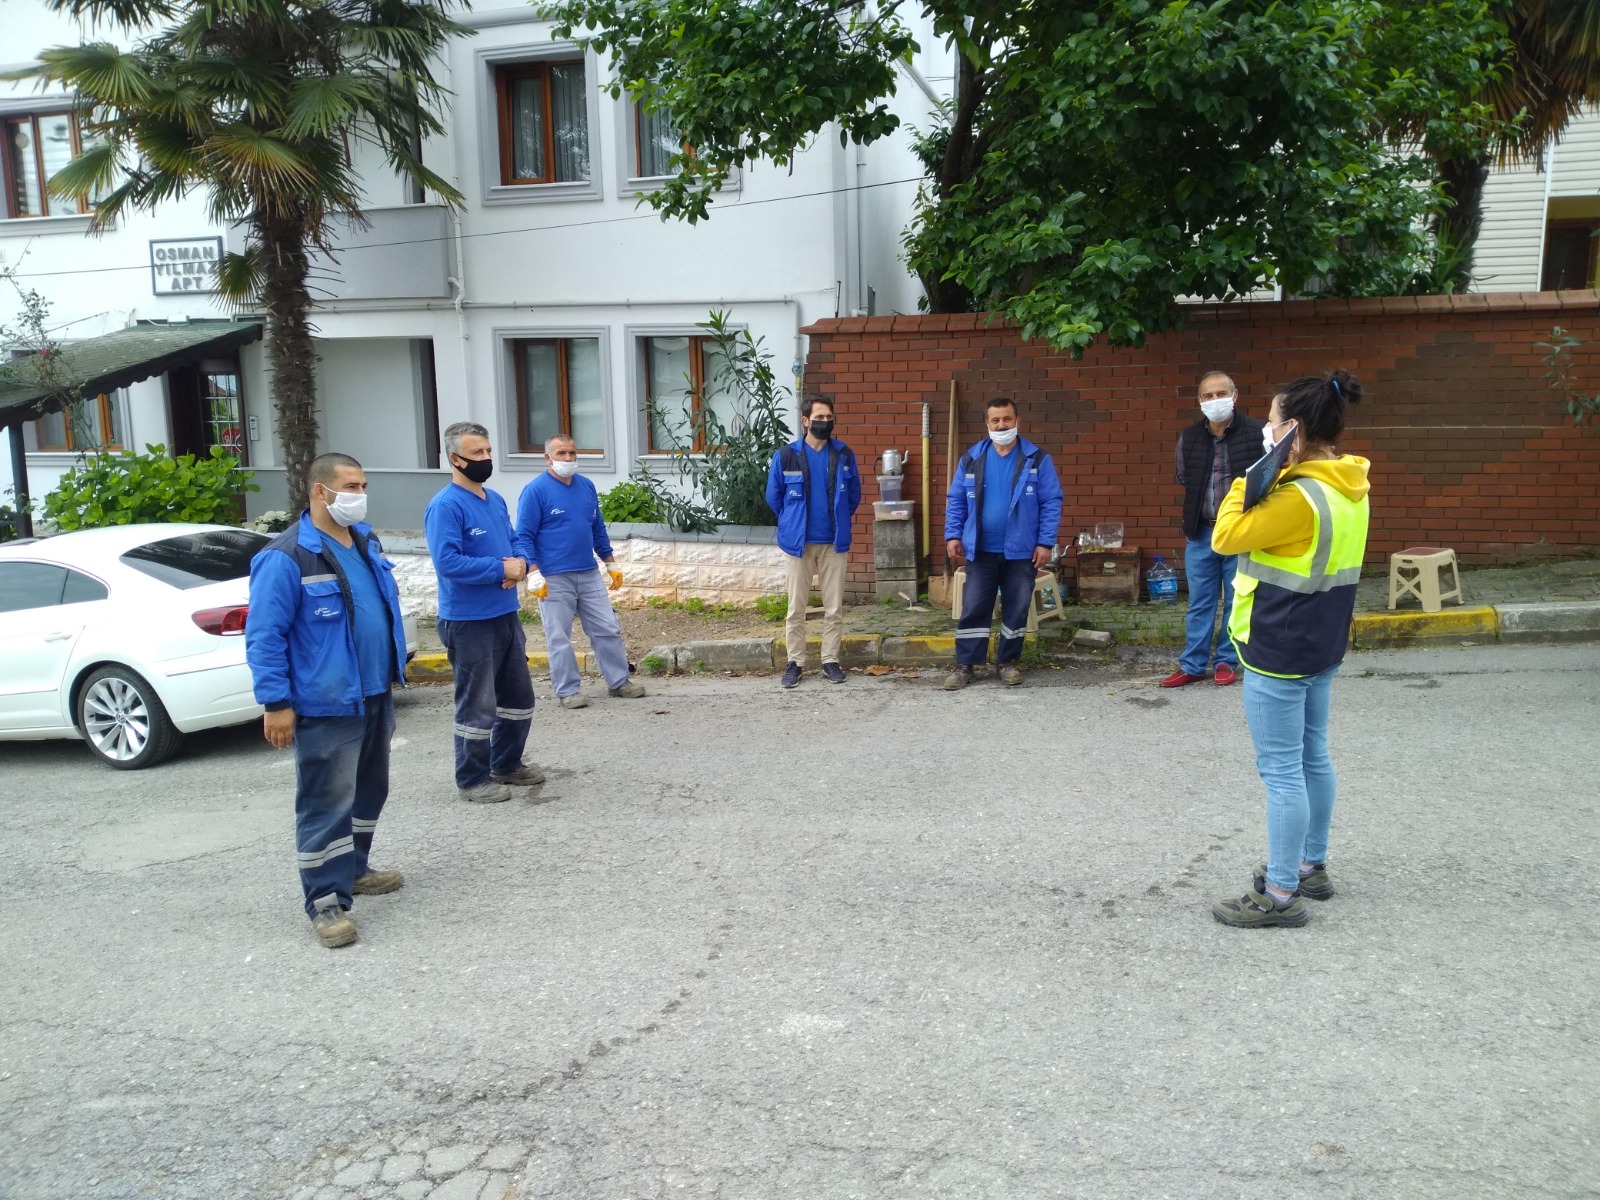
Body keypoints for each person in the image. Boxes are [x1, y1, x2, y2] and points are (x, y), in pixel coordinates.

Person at [1210, 369, 1370, 929]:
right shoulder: (1350, 485)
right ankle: (1310, 865)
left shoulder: (1298, 496)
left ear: (1292, 431)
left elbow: (1225, 537)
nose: (1266, 429)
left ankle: (1278, 894)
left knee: (1282, 773)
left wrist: (1245, 480)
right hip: (1321, 643)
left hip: (1278, 650)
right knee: (1313, 757)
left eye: (1272, 422)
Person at [246, 452, 410, 949]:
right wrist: (276, 702)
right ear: (321, 491)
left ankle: (355, 869)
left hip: (374, 692)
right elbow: (264, 636)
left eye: (363, 486)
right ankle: (325, 902)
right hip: (326, 703)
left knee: (368, 791)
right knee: (326, 803)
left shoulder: (364, 541)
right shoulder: (286, 556)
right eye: (351, 486)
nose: (360, 495)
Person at [424, 421, 544, 803]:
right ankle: (472, 780)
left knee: (519, 698)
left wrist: (520, 564)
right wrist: (499, 569)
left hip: (505, 614)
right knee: (478, 706)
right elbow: (448, 562)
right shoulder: (445, 506)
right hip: (468, 622)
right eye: (477, 453)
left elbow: (514, 541)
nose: (486, 458)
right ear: (455, 459)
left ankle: (506, 764)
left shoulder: (494, 500)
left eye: (488, 451)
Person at [514, 434, 647, 708]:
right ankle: (567, 691)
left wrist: (610, 563)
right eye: (561, 453)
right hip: (553, 577)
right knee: (559, 636)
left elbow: (596, 528)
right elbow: (523, 536)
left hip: (588, 573)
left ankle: (619, 681)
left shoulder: (586, 486)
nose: (568, 458)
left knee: (607, 628)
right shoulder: (535, 491)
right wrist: (533, 572)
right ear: (548, 458)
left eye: (572, 453)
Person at [942, 397, 1064, 689]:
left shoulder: (1037, 459)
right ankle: (966, 665)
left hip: (1021, 551)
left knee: (1017, 607)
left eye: (1007, 419)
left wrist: (1045, 542)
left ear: (1017, 420)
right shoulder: (971, 459)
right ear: (987, 423)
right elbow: (956, 500)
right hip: (981, 550)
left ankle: (1007, 662)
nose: (1001, 425)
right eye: (995, 420)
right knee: (974, 607)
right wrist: (953, 535)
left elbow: (1051, 502)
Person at [1162, 370, 1265, 688]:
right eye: (1207, 396)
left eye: (1221, 394)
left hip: (1240, 532)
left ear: (1235, 396)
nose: (1214, 400)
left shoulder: (1258, 433)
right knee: (1200, 602)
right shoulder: (1189, 437)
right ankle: (1192, 664)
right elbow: (1184, 476)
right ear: (1199, 401)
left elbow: (1268, 479)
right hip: (1201, 532)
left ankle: (1226, 661)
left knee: (1236, 600)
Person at [764, 393, 862, 688]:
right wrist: (792, 522)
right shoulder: (786, 455)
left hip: (833, 542)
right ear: (806, 421)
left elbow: (853, 496)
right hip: (799, 544)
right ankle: (795, 663)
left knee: (834, 609)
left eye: (829, 417)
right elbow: (774, 497)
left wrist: (838, 520)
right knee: (796, 609)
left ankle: (830, 661)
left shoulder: (844, 454)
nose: (825, 422)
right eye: (819, 417)